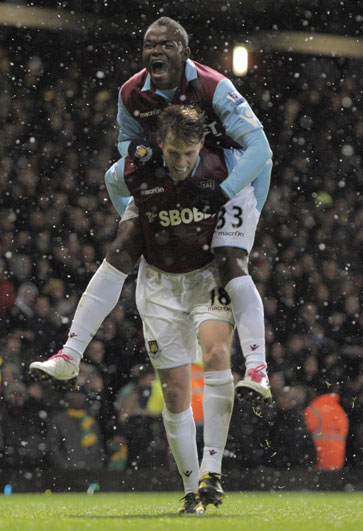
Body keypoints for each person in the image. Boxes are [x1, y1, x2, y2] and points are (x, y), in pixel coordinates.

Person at [30, 16, 272, 404]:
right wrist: (145, 208)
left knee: (229, 259)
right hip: (175, 171)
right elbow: (124, 150)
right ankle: (69, 354)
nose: (156, 51)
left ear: (185, 54)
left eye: (166, 45)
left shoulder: (214, 87)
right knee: (121, 247)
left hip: (231, 175)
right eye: (149, 45)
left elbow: (261, 151)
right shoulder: (131, 93)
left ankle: (258, 369)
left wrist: (223, 192)